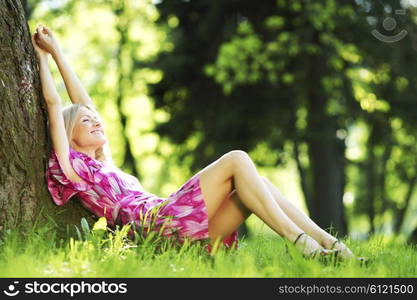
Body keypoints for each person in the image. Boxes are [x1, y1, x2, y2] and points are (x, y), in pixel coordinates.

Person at [32, 24, 355, 260]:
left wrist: (60, 54)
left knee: (259, 184)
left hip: (178, 231)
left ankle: (332, 247)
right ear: (69, 132)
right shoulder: (74, 168)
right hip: (158, 227)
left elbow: (84, 104)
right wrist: (43, 58)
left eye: (95, 118)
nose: (95, 120)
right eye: (85, 121)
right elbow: (53, 105)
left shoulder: (104, 165)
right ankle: (299, 242)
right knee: (237, 158)